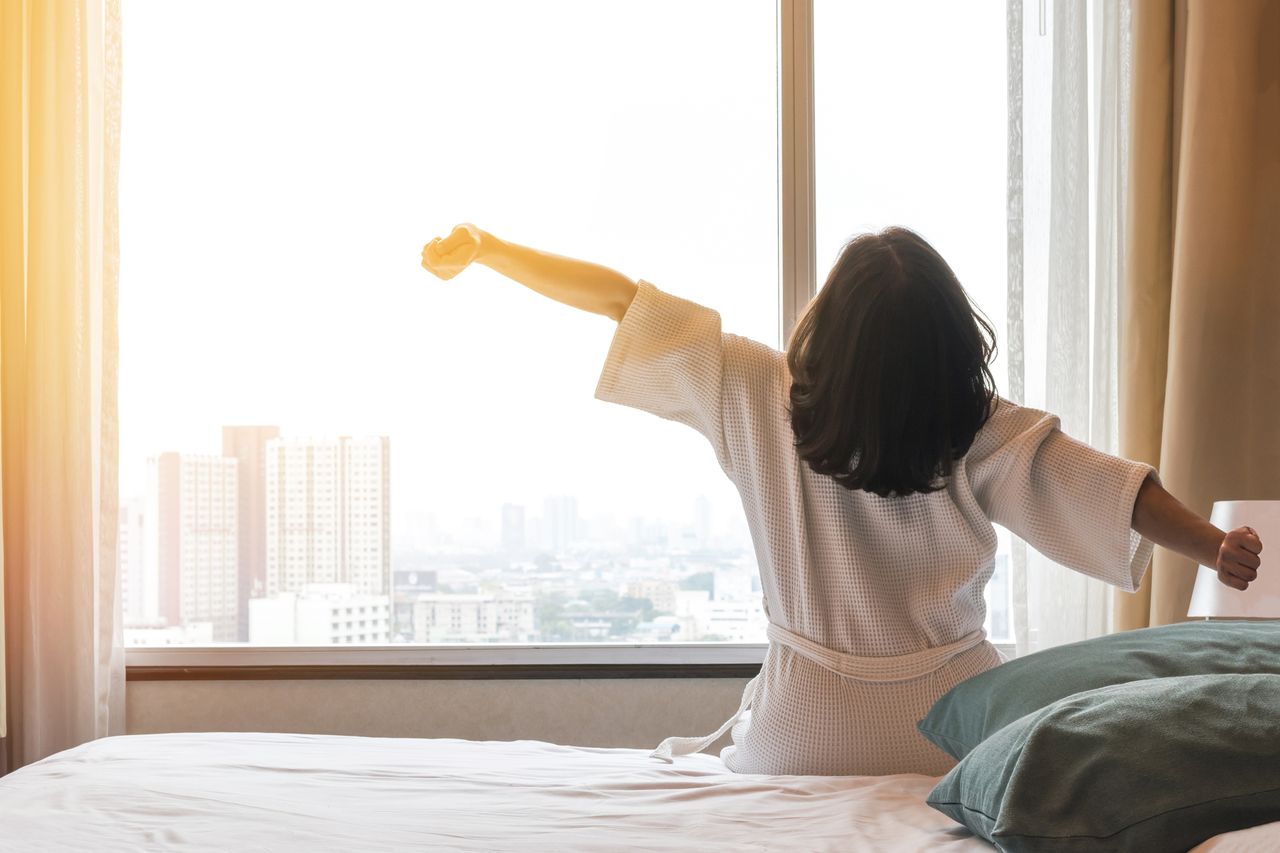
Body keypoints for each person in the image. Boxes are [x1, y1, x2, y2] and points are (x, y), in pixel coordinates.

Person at [420, 222, 1265, 776]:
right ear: (946, 340)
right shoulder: (975, 426)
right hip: (955, 730)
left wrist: (491, 250)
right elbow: (1107, 488)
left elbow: (622, 301)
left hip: (801, 731)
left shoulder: (759, 391)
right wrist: (1210, 545)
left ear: (829, 321)